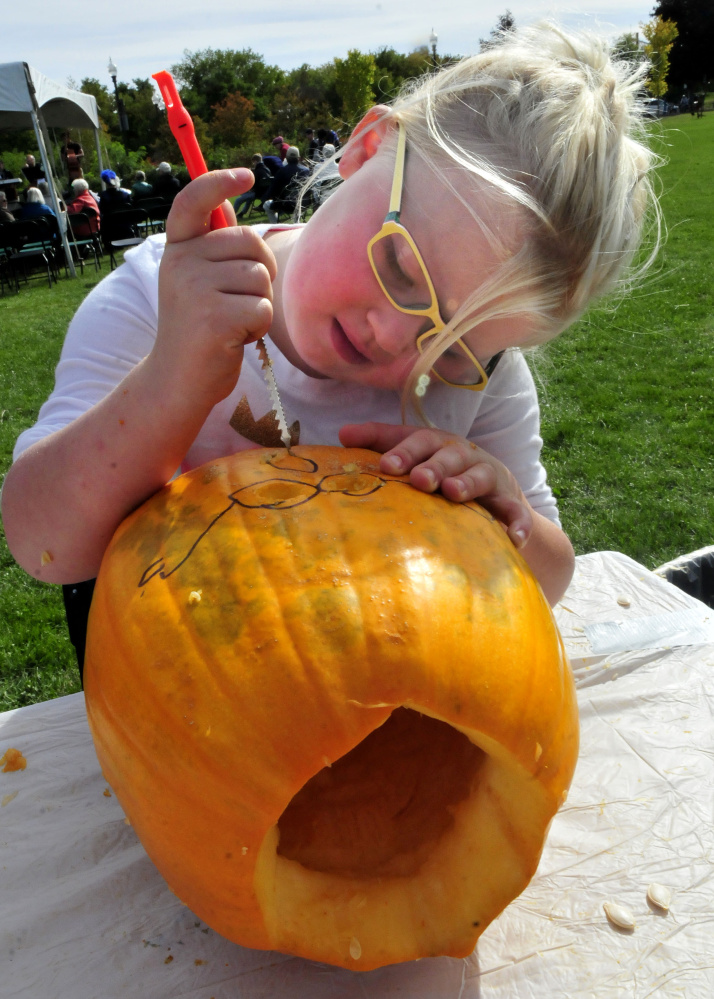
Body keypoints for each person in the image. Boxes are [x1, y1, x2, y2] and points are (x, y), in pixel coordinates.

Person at [2, 23, 659, 610]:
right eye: (401, 266)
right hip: (179, 701)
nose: (398, 342)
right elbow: (43, 543)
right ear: (368, 148)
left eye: (451, 349)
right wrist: (172, 377)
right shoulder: (156, 300)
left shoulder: (482, 387)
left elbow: (554, 577)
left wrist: (503, 510)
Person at [263, 146, 309, 223]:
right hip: (304, 203)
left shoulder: (282, 171)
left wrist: (266, 198)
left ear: (286, 158)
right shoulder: (306, 171)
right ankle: (296, 223)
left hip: (286, 205)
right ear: (299, 158)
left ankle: (276, 226)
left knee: (266, 205)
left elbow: (273, 189)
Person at [234, 153, 273, 218]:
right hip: (266, 192)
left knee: (238, 199)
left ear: (255, 161)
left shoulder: (257, 171)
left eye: (253, 162)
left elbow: (253, 184)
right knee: (248, 198)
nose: (253, 164)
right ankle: (242, 213)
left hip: (258, 193)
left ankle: (231, 214)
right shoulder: (267, 169)